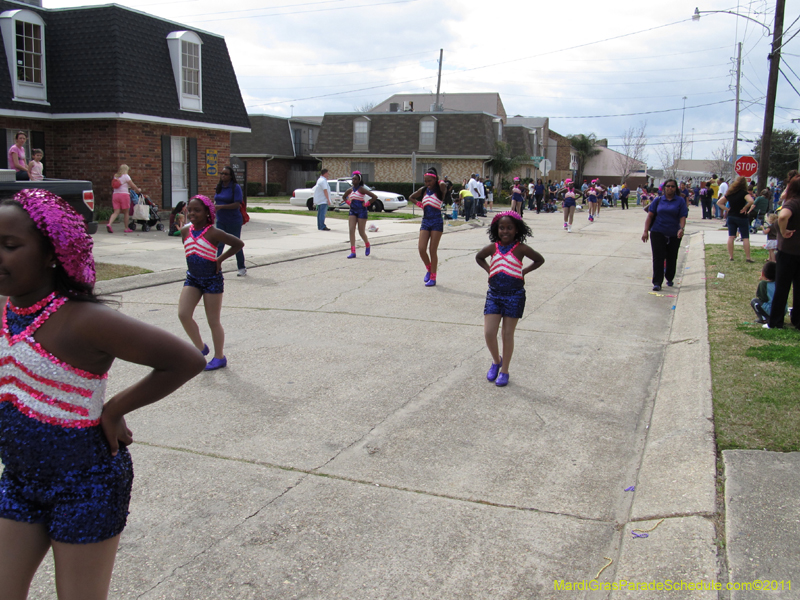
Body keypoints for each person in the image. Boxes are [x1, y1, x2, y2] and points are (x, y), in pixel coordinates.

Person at [0, 189, 205, 600]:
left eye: (9, 246)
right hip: (20, 479)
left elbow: (185, 360)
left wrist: (113, 409)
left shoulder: (84, 319)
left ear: (51, 253)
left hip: (86, 484)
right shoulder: (7, 309)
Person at [475, 211, 545, 387]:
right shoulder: (493, 247)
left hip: (514, 295)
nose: (505, 231)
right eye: (501, 228)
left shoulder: (521, 248)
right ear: (496, 229)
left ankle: (505, 370)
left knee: (507, 334)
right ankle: (496, 361)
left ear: (516, 230)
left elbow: (539, 260)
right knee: (489, 332)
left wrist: (523, 272)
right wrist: (489, 270)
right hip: (494, 294)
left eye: (509, 228)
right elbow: (479, 257)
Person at [178, 195, 245, 371]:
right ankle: (200, 347)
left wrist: (220, 259)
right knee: (183, 314)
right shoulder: (185, 231)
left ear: (208, 212)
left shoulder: (213, 232)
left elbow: (238, 243)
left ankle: (219, 357)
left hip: (212, 281)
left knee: (213, 321)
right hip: (192, 278)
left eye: (197, 210)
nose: (192, 213)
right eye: (190, 210)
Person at [765, 174, 800, 329]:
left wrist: (784, 231)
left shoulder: (792, 203)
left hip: (788, 251)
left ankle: (776, 321)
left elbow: (782, 216)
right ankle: (797, 320)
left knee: (782, 287)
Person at [642, 179, 689, 291]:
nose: (670, 188)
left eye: (673, 186)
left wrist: (681, 229)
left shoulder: (680, 201)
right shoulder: (658, 200)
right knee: (658, 257)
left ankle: (669, 277)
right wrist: (645, 231)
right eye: (668, 186)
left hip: (674, 233)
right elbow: (650, 216)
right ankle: (657, 282)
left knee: (671, 257)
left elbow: (683, 216)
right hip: (658, 231)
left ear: (675, 188)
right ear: (664, 188)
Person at [409, 168, 447, 286]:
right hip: (426, 221)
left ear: (435, 179)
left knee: (432, 250)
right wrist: (420, 204)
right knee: (421, 248)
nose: (427, 183)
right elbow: (411, 197)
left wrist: (438, 180)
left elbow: (444, 185)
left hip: (437, 222)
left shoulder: (440, 189)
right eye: (425, 181)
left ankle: (433, 278)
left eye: (429, 181)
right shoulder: (424, 190)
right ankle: (429, 269)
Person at [214, 165, 247, 276]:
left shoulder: (235, 187)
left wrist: (221, 207)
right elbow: (216, 201)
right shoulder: (219, 187)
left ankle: (241, 267)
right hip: (221, 220)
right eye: (222, 173)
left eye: (226, 174)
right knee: (219, 244)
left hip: (233, 220)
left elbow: (237, 204)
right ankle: (216, 267)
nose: (223, 176)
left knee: (235, 243)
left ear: (231, 176)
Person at [717, 176, 755, 262]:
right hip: (741, 216)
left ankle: (731, 257)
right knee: (745, 237)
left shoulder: (730, 193)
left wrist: (727, 209)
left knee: (731, 236)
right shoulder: (744, 193)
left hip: (731, 216)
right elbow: (751, 201)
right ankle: (748, 257)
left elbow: (719, 202)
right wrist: (745, 208)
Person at [342, 171, 377, 258]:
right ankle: (353, 251)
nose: (353, 180)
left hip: (362, 211)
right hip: (353, 210)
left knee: (361, 231)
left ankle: (367, 244)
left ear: (359, 181)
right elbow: (344, 196)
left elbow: (374, 196)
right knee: (351, 230)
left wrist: (366, 204)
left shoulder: (361, 189)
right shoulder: (350, 190)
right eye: (353, 179)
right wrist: (348, 202)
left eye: (355, 179)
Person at [108, 164, 141, 233]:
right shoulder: (126, 176)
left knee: (116, 212)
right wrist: (137, 189)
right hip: (124, 195)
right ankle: (126, 228)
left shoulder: (116, 176)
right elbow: (132, 185)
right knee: (126, 212)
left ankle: (109, 224)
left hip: (115, 195)